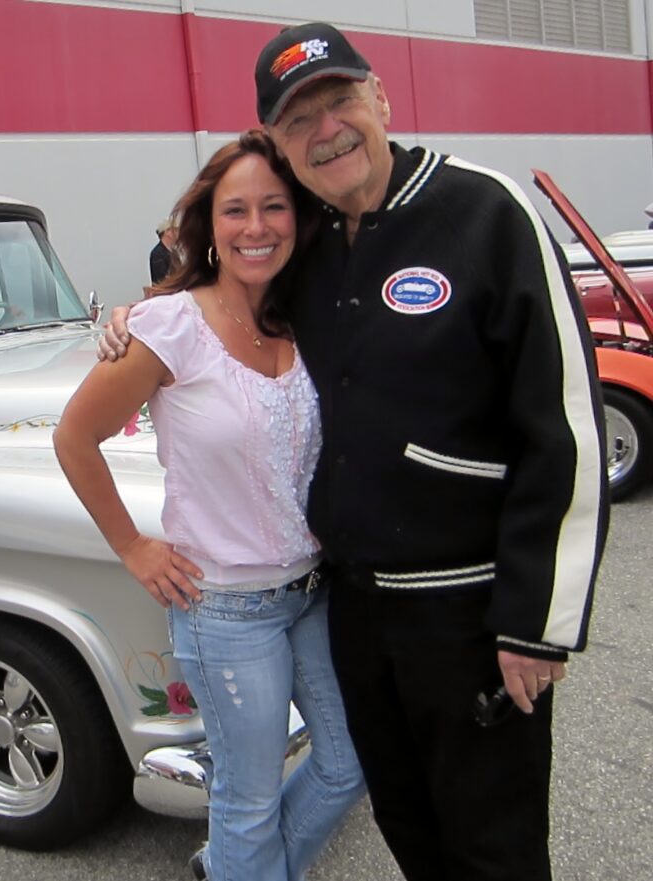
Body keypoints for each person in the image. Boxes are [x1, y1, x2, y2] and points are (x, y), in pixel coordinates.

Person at [99, 22, 609, 881]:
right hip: (354, 613)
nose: (326, 129)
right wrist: (135, 311)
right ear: (284, 146)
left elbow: (564, 428)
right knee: (406, 819)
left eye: (339, 101)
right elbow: (221, 268)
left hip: (472, 614)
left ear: (381, 98)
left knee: (496, 845)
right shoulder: (312, 245)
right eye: (299, 121)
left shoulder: (487, 212)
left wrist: (537, 624)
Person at [54, 130, 364, 881]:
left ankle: (232, 867)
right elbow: (75, 436)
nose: (256, 226)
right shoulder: (169, 327)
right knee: (248, 799)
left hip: (313, 590)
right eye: (236, 210)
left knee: (350, 761)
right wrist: (134, 546)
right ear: (208, 226)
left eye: (274, 206)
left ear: (299, 217)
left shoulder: (305, 315)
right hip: (226, 608)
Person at [149, 217, 177, 284]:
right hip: (166, 293)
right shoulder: (157, 254)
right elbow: (161, 280)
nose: (178, 233)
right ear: (167, 232)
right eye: (175, 230)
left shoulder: (175, 253)